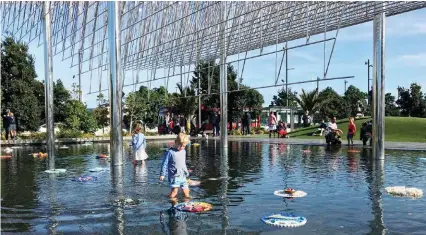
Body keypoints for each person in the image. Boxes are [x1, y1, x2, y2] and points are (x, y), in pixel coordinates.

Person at [160, 133, 190, 198]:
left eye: (184, 146)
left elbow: (183, 163)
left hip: (183, 175)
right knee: (174, 191)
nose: (182, 147)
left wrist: (186, 172)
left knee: (186, 191)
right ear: (176, 142)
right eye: (181, 146)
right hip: (174, 176)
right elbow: (164, 163)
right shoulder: (170, 152)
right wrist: (162, 174)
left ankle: (187, 203)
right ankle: (172, 202)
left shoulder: (183, 151)